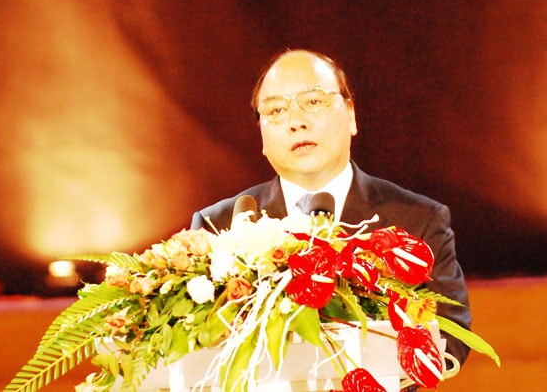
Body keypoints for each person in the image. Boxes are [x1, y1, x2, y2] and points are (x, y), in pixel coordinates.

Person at [190, 49, 471, 375]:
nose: (296, 122)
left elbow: (451, 334)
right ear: (262, 137)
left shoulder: (417, 219)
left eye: (313, 102)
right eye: (276, 110)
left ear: (351, 114)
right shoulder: (219, 226)